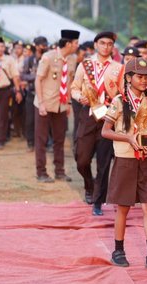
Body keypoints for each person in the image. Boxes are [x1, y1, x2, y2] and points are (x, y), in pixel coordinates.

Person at [101, 57, 147, 269]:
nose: (144, 81)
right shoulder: (118, 101)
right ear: (129, 78)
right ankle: (118, 250)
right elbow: (105, 131)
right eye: (139, 77)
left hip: (145, 159)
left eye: (146, 77)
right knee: (123, 207)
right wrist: (128, 138)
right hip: (125, 159)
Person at [71, 31, 122, 215]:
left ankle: (98, 202)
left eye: (109, 43)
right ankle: (89, 185)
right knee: (81, 159)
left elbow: (122, 93)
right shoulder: (85, 65)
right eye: (102, 43)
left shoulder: (118, 68)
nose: (106, 46)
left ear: (113, 47)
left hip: (108, 117)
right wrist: (80, 97)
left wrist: (115, 107)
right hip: (88, 114)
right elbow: (74, 88)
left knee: (104, 162)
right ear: (96, 45)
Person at [34, 29, 79, 182]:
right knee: (41, 140)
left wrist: (69, 103)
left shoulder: (72, 59)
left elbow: (70, 82)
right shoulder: (48, 57)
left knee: (59, 140)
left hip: (61, 105)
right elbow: (38, 80)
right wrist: (40, 103)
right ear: (68, 44)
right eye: (75, 43)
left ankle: (59, 171)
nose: (77, 46)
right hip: (45, 104)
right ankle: (41, 172)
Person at [0, 37, 23, 149]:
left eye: (2, 46)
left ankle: (0, 139)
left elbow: (15, 76)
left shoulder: (9, 60)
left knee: (3, 116)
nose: (0, 48)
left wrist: (18, 91)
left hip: (5, 91)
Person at [21, 36, 48, 152]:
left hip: (45, 95)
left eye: (45, 45)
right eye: (42, 45)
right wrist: (36, 77)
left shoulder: (48, 58)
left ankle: (44, 143)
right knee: (30, 120)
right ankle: (31, 143)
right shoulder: (29, 60)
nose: (44, 47)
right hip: (31, 93)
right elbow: (23, 75)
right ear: (36, 46)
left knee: (45, 121)